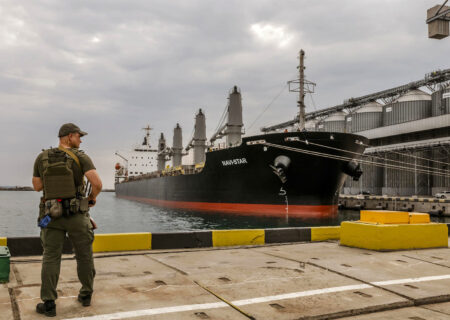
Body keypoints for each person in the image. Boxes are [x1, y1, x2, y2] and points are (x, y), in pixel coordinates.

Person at [32, 123, 102, 317]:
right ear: (69, 136)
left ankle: (48, 304)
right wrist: (91, 199)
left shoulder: (42, 157)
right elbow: (97, 183)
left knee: (51, 257)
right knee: (84, 255)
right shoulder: (80, 157)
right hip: (77, 216)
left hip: (51, 215)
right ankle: (86, 295)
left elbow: (37, 186)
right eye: (79, 136)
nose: (80, 140)